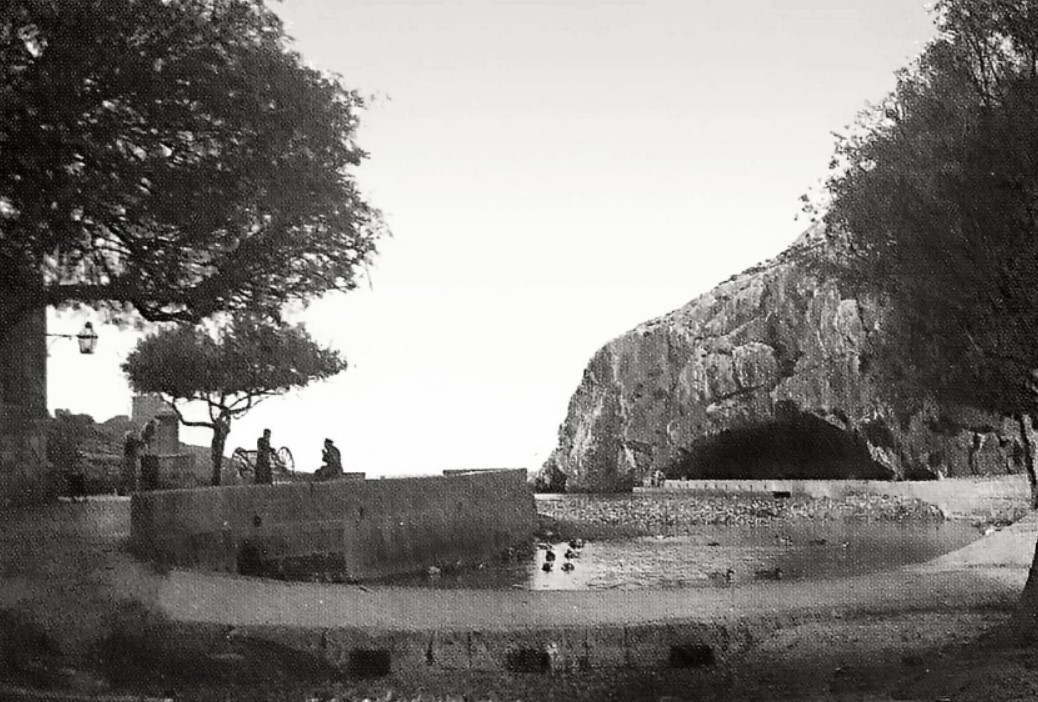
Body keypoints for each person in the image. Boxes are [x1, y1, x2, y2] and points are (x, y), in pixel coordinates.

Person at [120, 429, 143, 495]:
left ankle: (129, 490)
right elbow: (139, 443)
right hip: (131, 459)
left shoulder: (128, 442)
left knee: (129, 475)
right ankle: (131, 490)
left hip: (129, 459)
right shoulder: (131, 442)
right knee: (131, 475)